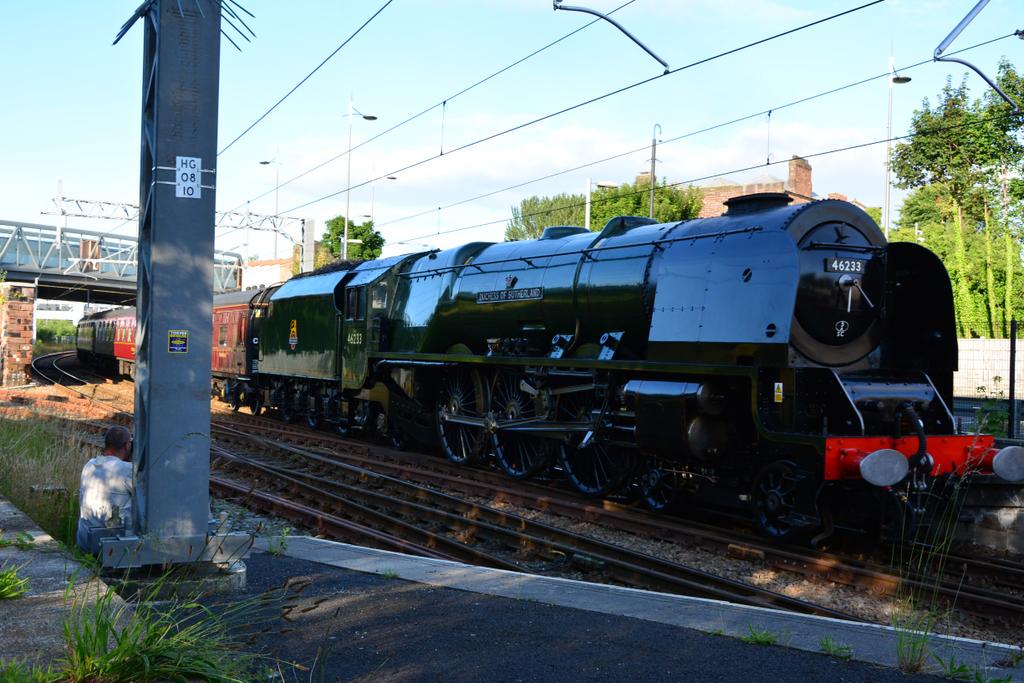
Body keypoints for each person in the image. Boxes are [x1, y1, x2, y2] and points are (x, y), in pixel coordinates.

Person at [76, 426, 134, 554]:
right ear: (127, 446)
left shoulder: (89, 465)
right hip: (109, 547)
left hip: (84, 541)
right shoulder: (127, 470)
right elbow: (148, 495)